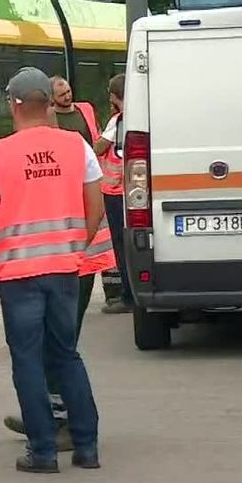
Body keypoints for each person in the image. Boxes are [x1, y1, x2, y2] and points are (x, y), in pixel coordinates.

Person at [0, 67, 103, 473]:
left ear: (13, 104)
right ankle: (87, 447)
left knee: (27, 360)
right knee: (66, 354)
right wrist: (76, 246)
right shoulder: (77, 146)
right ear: (48, 103)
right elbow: (96, 204)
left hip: (17, 274)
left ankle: (43, 452)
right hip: (64, 268)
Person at [2, 75, 116, 450]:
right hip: (73, 259)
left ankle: (60, 421)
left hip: (63, 263)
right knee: (58, 348)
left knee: (56, 348)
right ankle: (55, 417)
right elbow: (93, 204)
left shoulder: (64, 143)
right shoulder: (74, 148)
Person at [94, 74, 134, 315]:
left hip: (115, 192)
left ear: (114, 96)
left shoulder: (117, 121)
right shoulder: (144, 116)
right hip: (137, 191)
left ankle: (128, 295)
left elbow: (99, 148)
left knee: (121, 244)